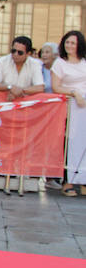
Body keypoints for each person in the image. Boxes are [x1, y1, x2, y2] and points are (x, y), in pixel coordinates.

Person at [50, 31, 86, 197]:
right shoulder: (60, 63)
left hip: (84, 105)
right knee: (70, 142)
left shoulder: (84, 62)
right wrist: (74, 93)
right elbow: (56, 86)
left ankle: (83, 180)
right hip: (70, 105)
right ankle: (68, 181)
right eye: (67, 42)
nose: (69, 46)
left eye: (73, 43)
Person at [0, 36, 45, 101]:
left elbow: (40, 87)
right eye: (13, 51)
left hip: (26, 105)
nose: (15, 54)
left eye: (20, 53)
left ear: (28, 54)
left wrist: (20, 91)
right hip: (3, 103)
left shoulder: (35, 64)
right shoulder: (2, 61)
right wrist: (10, 87)